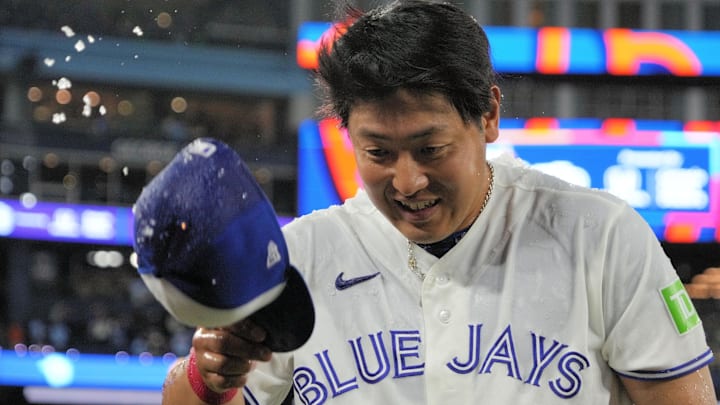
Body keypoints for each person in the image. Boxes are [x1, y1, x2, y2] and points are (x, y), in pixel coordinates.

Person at [160, 1, 717, 404]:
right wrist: (209, 376)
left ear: (489, 115)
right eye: (378, 151)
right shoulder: (299, 256)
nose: (407, 181)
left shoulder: (601, 235)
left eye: (431, 149)